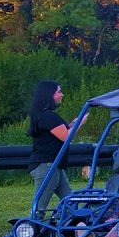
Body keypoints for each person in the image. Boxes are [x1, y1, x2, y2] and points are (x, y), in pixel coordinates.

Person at [28, 80, 84, 212]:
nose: (62, 95)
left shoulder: (45, 115)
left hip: (54, 165)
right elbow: (65, 137)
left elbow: (61, 133)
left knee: (71, 202)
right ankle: (29, 230)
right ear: (49, 95)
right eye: (59, 92)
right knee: (39, 208)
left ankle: (74, 228)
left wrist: (72, 125)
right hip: (47, 166)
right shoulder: (48, 116)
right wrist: (80, 122)